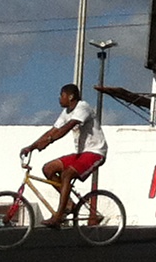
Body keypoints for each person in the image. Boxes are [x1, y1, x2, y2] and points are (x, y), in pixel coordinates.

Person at [21, 82, 107, 221]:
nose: (59, 98)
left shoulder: (82, 107)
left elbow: (67, 128)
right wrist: (31, 146)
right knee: (48, 169)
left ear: (71, 96)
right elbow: (54, 130)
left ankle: (59, 215)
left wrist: (49, 141)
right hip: (81, 154)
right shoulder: (66, 112)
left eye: (62, 95)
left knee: (67, 174)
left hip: (95, 152)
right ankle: (69, 204)